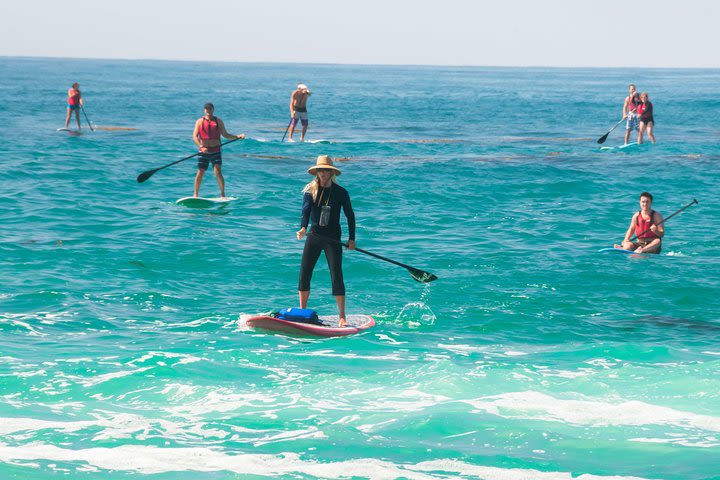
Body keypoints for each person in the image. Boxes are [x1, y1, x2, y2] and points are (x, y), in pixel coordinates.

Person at [296, 155, 356, 326]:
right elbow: (305, 212)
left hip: (333, 239)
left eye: (326, 170)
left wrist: (351, 239)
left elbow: (350, 216)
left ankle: (342, 316)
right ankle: (302, 311)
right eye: (320, 170)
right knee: (304, 273)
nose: (323, 173)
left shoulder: (341, 192)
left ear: (331, 172)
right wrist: (303, 228)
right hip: (314, 236)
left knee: (336, 274)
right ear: (317, 172)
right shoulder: (310, 190)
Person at [192, 103, 244, 198]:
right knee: (200, 172)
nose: (208, 111)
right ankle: (195, 194)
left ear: (213, 110)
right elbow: (194, 136)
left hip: (216, 150)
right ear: (204, 110)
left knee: (218, 172)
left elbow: (225, 135)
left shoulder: (218, 121)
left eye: (210, 109)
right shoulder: (199, 121)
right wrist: (201, 146)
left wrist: (237, 137)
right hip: (203, 151)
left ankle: (222, 194)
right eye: (206, 109)